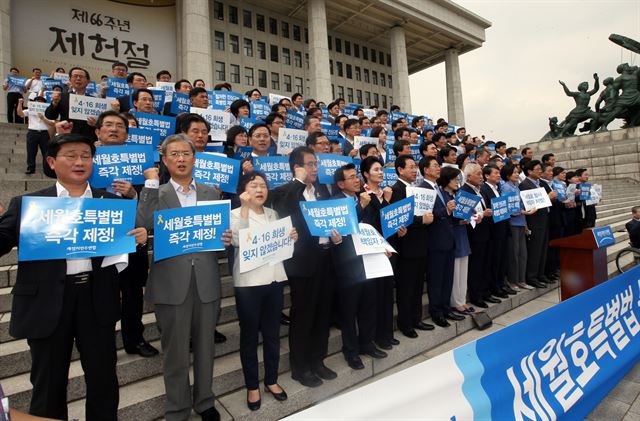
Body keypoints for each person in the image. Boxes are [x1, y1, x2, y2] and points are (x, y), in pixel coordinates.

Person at [0, 133, 147, 420]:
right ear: (52, 162)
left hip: (96, 299)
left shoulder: (110, 203)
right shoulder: (28, 203)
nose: (80, 162)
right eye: (71, 155)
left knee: (104, 379)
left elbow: (125, 256)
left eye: (86, 156)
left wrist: (140, 239)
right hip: (47, 302)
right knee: (48, 384)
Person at [137, 134, 231, 421]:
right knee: (175, 352)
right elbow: (143, 223)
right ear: (164, 160)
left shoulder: (211, 193)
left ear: (194, 158)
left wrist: (224, 237)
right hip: (171, 284)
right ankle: (177, 409)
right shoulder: (157, 192)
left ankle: (204, 402)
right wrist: (151, 183)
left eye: (185, 154)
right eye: (173, 154)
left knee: (205, 349)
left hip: (205, 280)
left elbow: (216, 235)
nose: (180, 159)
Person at [270, 146, 339, 388]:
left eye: (316, 164)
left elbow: (328, 221)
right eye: (310, 164)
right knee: (304, 315)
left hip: (325, 259)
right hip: (302, 264)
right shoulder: (284, 192)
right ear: (296, 167)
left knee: (322, 314)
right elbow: (286, 211)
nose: (315, 169)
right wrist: (299, 181)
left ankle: (317, 360)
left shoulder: (320, 191)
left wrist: (335, 236)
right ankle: (300, 367)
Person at [92, 111, 159, 358]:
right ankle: (102, 342)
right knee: (101, 293)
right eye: (108, 125)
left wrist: (133, 193)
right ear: (97, 132)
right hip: (98, 237)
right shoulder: (87, 159)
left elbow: (151, 205)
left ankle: (135, 338)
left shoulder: (141, 163)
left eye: (119, 126)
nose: (114, 129)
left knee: (132, 293)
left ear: (127, 134)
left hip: (132, 236)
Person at [230, 171, 296, 410]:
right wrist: (245, 209)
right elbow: (240, 240)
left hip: (274, 281)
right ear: (243, 190)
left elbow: (279, 245)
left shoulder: (273, 213)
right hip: (249, 284)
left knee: (272, 334)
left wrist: (291, 237)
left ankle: (271, 380)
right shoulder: (234, 214)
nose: (259, 190)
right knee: (249, 337)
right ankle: (252, 386)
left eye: (263, 186)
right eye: (253, 185)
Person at [332, 163, 388, 370]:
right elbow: (343, 227)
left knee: (368, 305)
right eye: (352, 177)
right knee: (349, 311)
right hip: (347, 264)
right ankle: (351, 351)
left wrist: (382, 246)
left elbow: (372, 227)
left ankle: (367, 343)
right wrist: (360, 207)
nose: (357, 180)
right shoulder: (334, 202)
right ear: (340, 183)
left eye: (357, 176)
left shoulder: (365, 198)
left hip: (369, 260)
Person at [390, 155, 435, 337]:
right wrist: (421, 220)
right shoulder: (397, 190)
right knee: (406, 288)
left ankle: (417, 319)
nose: (414, 170)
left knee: (417, 287)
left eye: (415, 167)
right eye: (410, 167)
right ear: (400, 170)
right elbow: (400, 218)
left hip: (420, 245)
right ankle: (405, 323)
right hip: (406, 247)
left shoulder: (415, 189)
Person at [359, 156, 397, 350]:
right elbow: (367, 224)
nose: (381, 172)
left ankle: (386, 334)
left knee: (386, 294)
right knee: (372, 297)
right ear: (365, 174)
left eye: (381, 169)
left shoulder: (384, 193)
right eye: (375, 170)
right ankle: (372, 338)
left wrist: (398, 228)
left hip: (387, 249)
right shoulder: (363, 195)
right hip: (372, 250)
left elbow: (389, 220)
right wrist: (386, 202)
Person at [420, 157, 462, 326]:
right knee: (436, 280)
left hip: (448, 239)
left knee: (447, 279)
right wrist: (445, 210)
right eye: (435, 166)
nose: (439, 168)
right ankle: (436, 312)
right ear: (425, 170)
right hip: (434, 242)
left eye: (438, 165)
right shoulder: (421, 189)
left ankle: (446, 308)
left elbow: (447, 214)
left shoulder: (439, 188)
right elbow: (426, 215)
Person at [461, 163, 495, 309]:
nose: (481, 177)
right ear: (468, 176)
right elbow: (465, 217)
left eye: (481, 174)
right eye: (478, 174)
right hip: (474, 235)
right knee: (476, 267)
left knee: (485, 264)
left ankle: (485, 291)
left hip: (485, 232)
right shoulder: (464, 191)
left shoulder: (479, 190)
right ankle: (476, 295)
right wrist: (482, 214)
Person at [519, 160, 557, 288]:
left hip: (545, 219)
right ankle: (532, 276)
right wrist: (548, 197)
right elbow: (531, 204)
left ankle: (541, 274)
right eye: (537, 169)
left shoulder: (542, 183)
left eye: (541, 169)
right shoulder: (525, 185)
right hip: (534, 221)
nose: (540, 171)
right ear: (529, 171)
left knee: (543, 249)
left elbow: (550, 198)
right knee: (534, 250)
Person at [481, 165, 516, 297]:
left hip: (503, 227)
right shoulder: (484, 189)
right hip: (494, 230)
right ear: (487, 176)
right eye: (495, 173)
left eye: (498, 173)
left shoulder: (498, 188)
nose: (498, 175)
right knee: (495, 261)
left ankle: (501, 284)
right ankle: (495, 287)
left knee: (503, 260)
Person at [500, 164, 535, 292]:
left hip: (520, 223)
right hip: (512, 224)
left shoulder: (516, 187)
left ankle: (521, 279)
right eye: (514, 172)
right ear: (508, 174)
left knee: (522, 254)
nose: (516, 174)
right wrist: (526, 212)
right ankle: (513, 280)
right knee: (514, 254)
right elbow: (509, 209)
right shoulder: (505, 187)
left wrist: (525, 223)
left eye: (517, 172)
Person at [45, 67, 99, 140]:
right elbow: (50, 116)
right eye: (75, 76)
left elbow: (101, 122)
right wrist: (54, 103)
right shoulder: (62, 97)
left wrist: (96, 124)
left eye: (81, 76)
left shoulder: (95, 100)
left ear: (88, 81)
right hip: (67, 137)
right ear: (70, 80)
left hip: (88, 139)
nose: (78, 78)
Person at [16, 96, 51, 175]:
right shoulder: (30, 110)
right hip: (32, 132)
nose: (39, 103)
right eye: (37, 101)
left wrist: (43, 119)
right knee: (31, 151)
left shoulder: (48, 112)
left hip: (44, 133)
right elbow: (20, 113)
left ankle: (47, 169)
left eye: (41, 102)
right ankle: (31, 168)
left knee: (46, 152)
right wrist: (20, 103)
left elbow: (52, 123)